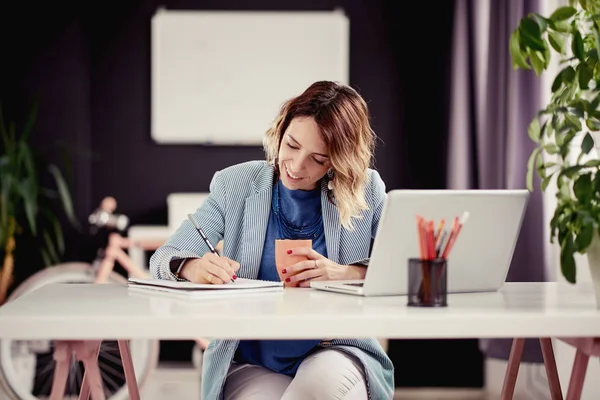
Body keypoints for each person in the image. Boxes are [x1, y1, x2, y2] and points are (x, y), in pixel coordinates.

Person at [150, 81, 395, 400]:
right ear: (280, 131)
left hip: (335, 349)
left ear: (338, 159)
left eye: (318, 159)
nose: (296, 166)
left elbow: (406, 267)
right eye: (291, 145)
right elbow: (162, 259)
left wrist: (348, 274)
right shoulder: (234, 184)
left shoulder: (367, 190)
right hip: (252, 359)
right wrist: (191, 267)